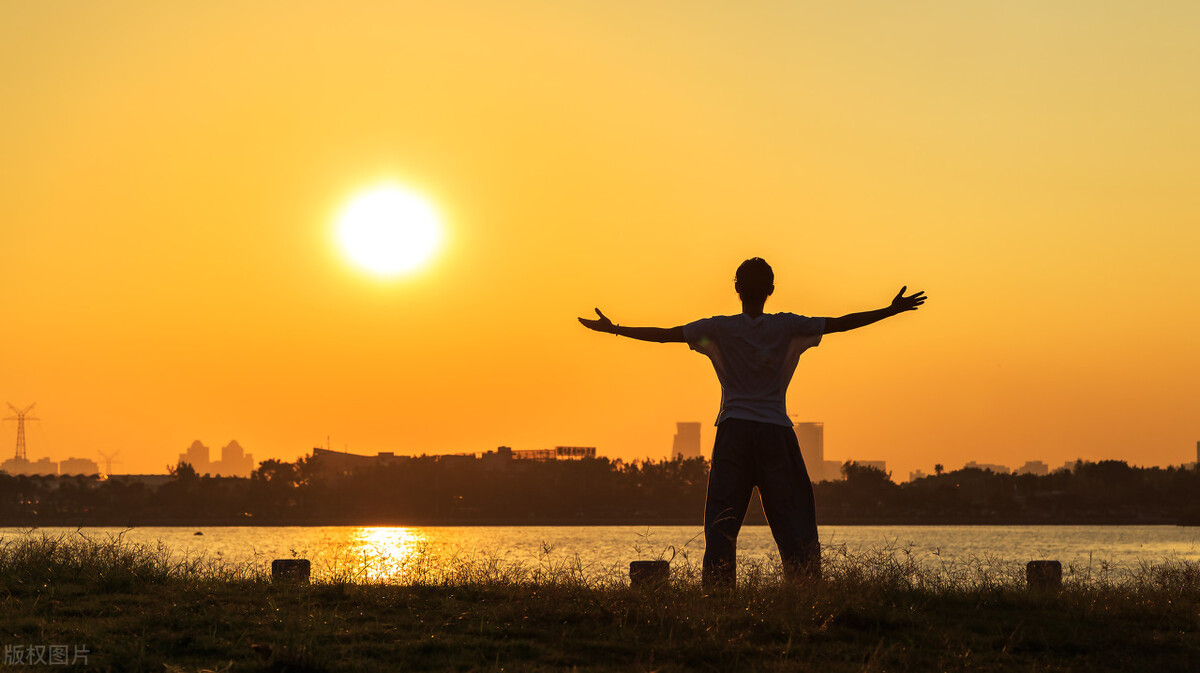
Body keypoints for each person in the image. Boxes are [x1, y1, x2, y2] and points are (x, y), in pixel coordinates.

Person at [578, 257, 926, 588]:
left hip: (734, 434)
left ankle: (718, 593)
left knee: (721, 523)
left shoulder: (719, 329)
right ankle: (805, 589)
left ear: (737, 289)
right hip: (776, 433)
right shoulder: (787, 327)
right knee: (795, 521)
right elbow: (839, 323)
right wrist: (890, 311)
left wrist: (617, 330)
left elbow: (668, 334)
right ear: (771, 289)